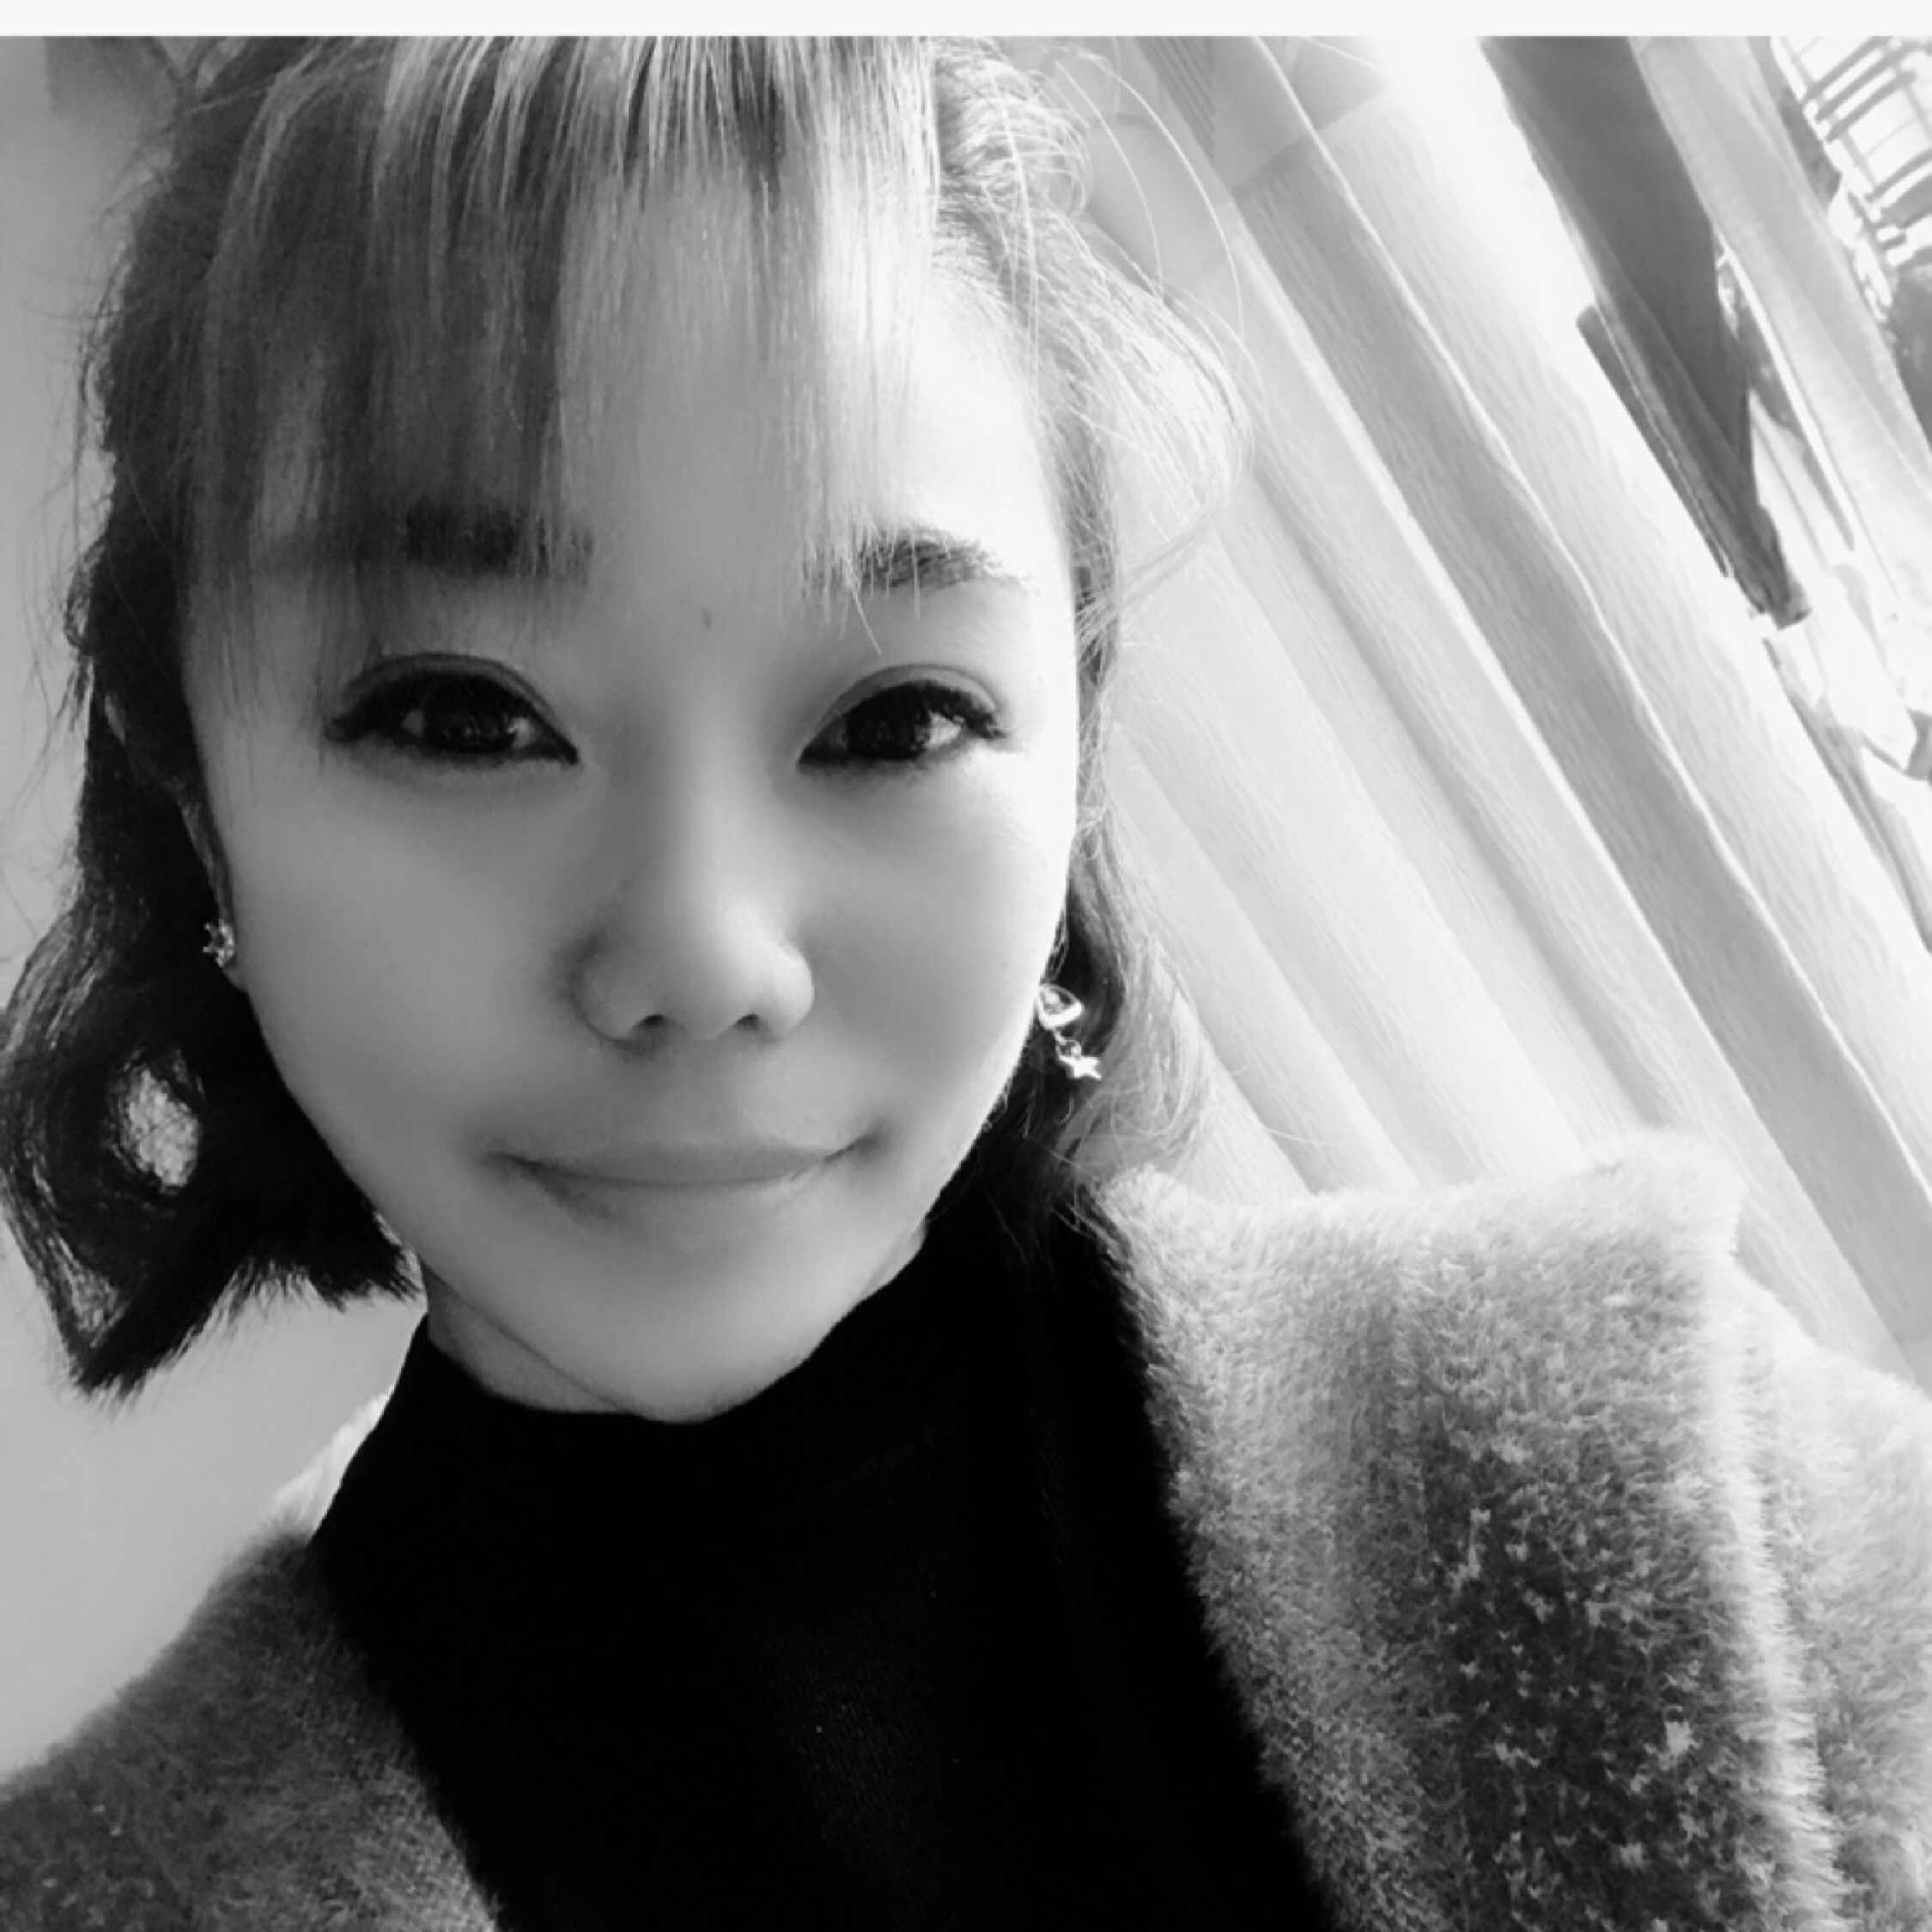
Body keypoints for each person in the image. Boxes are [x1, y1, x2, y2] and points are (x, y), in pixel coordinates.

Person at [2, 35, 1929, 1932]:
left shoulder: (1672, 1470)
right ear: (193, 792)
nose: (703, 953)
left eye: (895, 716)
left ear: (1074, 755)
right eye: (455, 713)